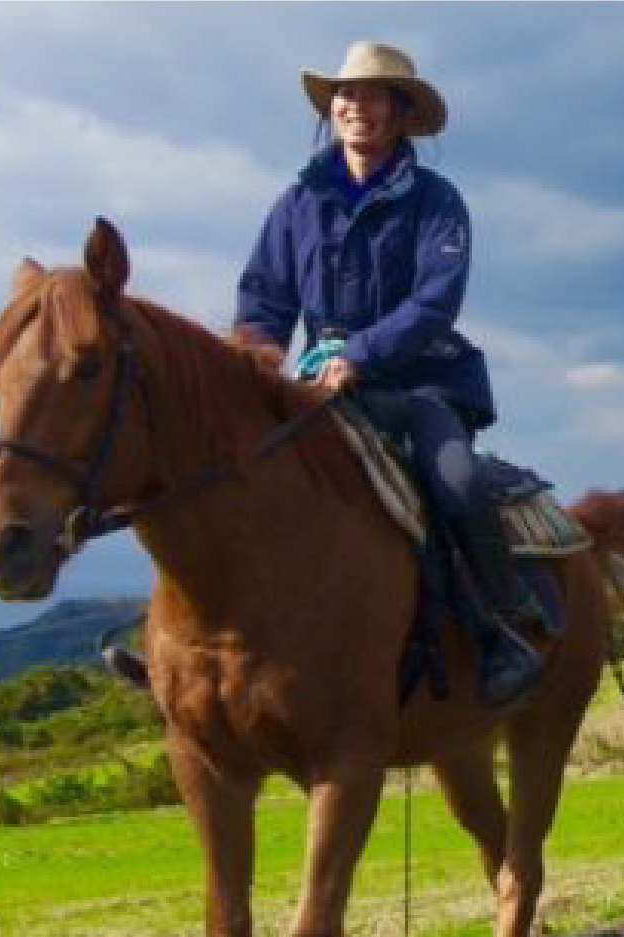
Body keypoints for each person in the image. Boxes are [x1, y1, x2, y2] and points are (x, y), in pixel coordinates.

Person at [232, 41, 542, 708]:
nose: (356, 107)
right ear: (331, 108)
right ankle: (204, 647)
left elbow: (434, 302)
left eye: (374, 96)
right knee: (230, 470)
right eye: (346, 95)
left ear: (400, 114)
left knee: (456, 480)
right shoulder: (297, 202)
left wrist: (360, 355)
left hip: (421, 383)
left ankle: (499, 636)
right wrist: (256, 358)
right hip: (321, 388)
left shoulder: (437, 200)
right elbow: (264, 297)